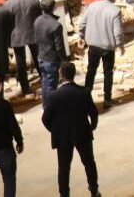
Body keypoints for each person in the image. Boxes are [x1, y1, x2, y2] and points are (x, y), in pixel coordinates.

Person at [42, 62, 100, 197]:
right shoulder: (84, 92)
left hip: (63, 136)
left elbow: (45, 119)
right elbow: (94, 113)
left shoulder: (54, 96)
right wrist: (92, 126)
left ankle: (64, 194)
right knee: (89, 163)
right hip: (82, 132)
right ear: (73, 74)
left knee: (63, 168)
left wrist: (55, 130)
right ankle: (94, 190)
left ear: (61, 75)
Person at [79, 0, 124, 109]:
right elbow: (118, 32)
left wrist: (81, 36)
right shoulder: (115, 11)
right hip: (107, 48)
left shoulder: (92, 6)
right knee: (108, 73)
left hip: (93, 45)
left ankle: (86, 98)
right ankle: (107, 99)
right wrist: (120, 46)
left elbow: (82, 23)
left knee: (91, 71)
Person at [4, 0, 41, 97]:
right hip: (33, 31)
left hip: (17, 35)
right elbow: (39, 15)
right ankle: (45, 80)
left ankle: (25, 87)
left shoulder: (8, 4)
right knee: (38, 57)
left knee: (20, 62)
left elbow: (8, 22)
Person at [33, 0, 66, 107]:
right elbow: (59, 47)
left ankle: (46, 105)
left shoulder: (37, 20)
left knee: (45, 83)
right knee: (52, 84)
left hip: (41, 56)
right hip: (51, 58)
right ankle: (51, 107)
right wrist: (64, 61)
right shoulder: (56, 25)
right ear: (53, 7)